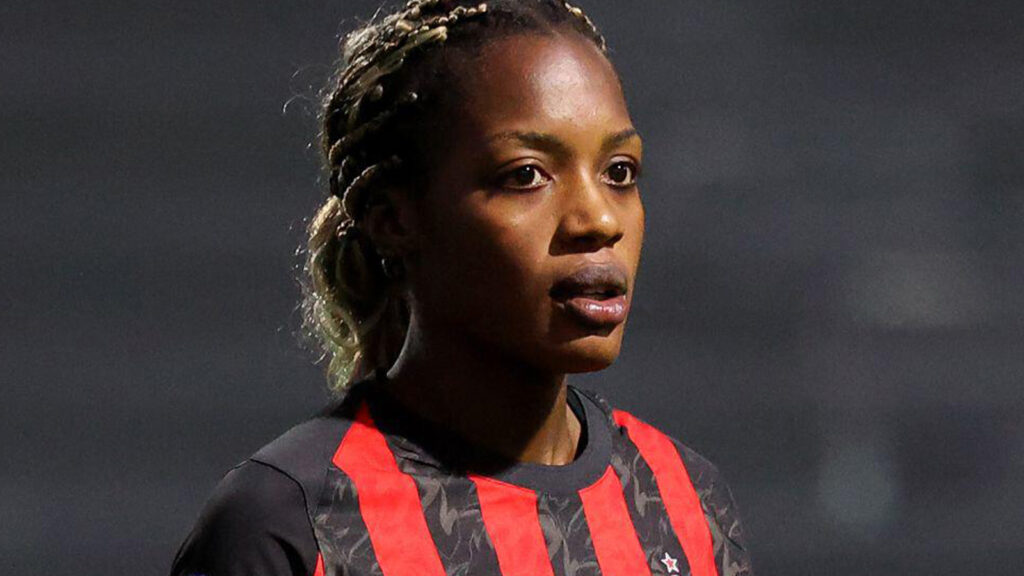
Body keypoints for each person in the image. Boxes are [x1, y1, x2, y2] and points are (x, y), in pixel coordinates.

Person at [170, 1, 753, 575]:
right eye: (526, 175)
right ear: (394, 219)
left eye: (619, 172)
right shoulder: (289, 524)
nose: (600, 220)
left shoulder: (683, 499)